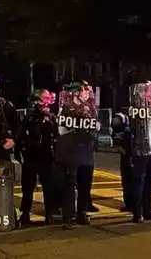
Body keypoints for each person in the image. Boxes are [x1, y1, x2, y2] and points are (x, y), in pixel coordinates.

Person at [116, 82, 151, 223]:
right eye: (146, 91)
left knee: (150, 179)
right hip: (138, 149)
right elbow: (121, 126)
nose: (149, 94)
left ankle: (148, 209)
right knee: (138, 180)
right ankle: (137, 211)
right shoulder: (133, 108)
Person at [54, 81, 98, 230]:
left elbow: (95, 126)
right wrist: (75, 125)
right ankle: (69, 216)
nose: (87, 93)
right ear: (76, 92)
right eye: (85, 90)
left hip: (86, 152)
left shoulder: (90, 109)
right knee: (69, 185)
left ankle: (82, 212)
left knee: (85, 185)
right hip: (70, 152)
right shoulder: (66, 108)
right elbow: (61, 130)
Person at [16, 89, 58, 226]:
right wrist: (20, 153)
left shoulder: (51, 118)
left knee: (48, 187)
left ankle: (50, 214)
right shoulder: (29, 118)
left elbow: (56, 137)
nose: (46, 102)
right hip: (31, 157)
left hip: (46, 157)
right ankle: (25, 214)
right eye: (43, 99)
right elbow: (21, 136)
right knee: (28, 188)